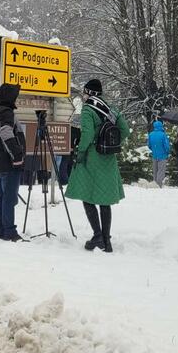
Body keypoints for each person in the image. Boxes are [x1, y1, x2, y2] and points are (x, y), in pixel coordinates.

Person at [66, 79, 129, 252]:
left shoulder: (88, 109)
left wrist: (80, 152)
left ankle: (97, 236)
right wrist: (110, 143)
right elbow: (125, 130)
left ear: (88, 93)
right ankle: (106, 241)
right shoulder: (110, 108)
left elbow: (87, 135)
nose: (83, 95)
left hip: (92, 157)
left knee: (87, 196)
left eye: (84, 92)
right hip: (108, 158)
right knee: (104, 200)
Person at [0, 83, 25, 241]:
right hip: (10, 163)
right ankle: (10, 232)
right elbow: (5, 133)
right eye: (15, 95)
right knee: (9, 199)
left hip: (0, 162)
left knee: (1, 197)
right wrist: (17, 155)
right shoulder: (6, 112)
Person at [147, 119, 171, 188]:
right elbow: (166, 146)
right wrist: (167, 152)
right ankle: (159, 185)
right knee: (161, 171)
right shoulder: (163, 135)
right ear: (161, 126)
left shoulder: (151, 134)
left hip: (154, 155)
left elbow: (149, 145)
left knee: (155, 171)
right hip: (162, 155)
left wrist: (154, 150)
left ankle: (155, 184)